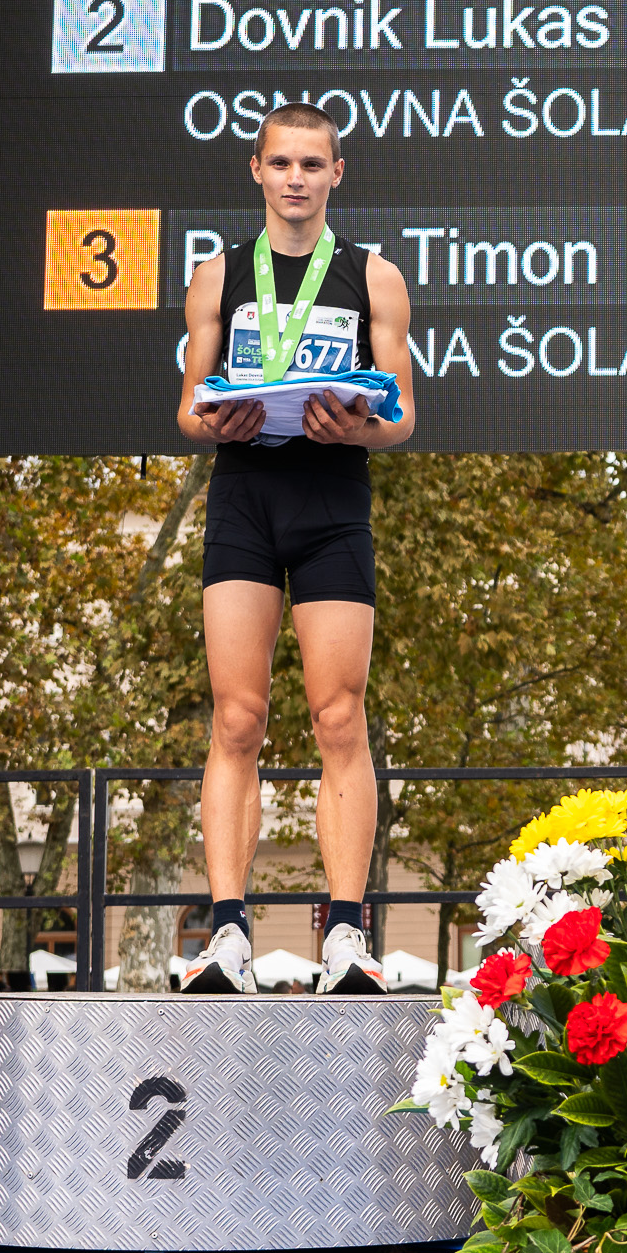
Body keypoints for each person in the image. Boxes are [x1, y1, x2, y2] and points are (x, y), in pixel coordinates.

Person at [175, 100, 418, 995]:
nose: (295, 178)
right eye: (281, 162)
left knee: (338, 716)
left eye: (313, 164)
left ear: (336, 174)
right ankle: (228, 932)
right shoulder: (217, 274)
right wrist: (216, 420)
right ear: (256, 169)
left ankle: (346, 934)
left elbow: (403, 415)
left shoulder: (374, 277)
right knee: (237, 717)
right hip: (244, 493)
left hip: (332, 496)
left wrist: (361, 425)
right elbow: (187, 406)